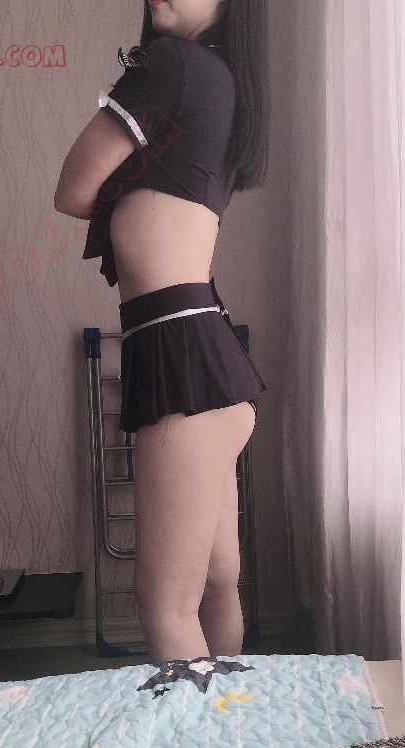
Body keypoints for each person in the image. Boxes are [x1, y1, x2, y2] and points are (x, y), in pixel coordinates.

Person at [54, 0, 269, 665]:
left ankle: (196, 734)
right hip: (208, 355)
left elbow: (73, 189)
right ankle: (230, 718)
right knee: (215, 585)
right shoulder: (221, 78)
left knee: (164, 605)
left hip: (180, 357)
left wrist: (124, 185)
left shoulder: (172, 63)